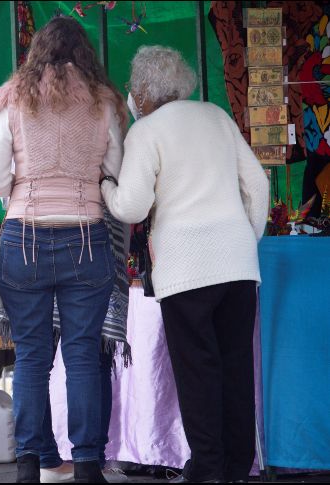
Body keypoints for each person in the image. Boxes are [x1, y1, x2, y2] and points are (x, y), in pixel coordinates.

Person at [101, 46, 269, 483]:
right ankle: (235, 465)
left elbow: (133, 206)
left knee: (198, 371)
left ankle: (208, 468)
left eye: (132, 89)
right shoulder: (216, 116)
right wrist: (243, 240)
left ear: (141, 91)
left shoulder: (146, 131)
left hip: (186, 269)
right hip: (237, 266)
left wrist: (106, 190)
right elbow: (257, 182)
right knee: (236, 366)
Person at [0, 16, 128, 484]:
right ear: (85, 53)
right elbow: (116, 169)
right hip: (86, 238)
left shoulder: (14, 103)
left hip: (24, 237)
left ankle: (29, 464)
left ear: (36, 52)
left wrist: (22, 190)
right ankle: (87, 464)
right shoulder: (104, 105)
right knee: (83, 354)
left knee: (31, 356)